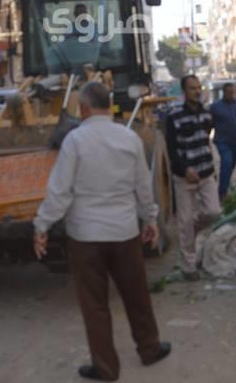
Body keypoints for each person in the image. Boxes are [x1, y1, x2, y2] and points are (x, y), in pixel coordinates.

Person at [33, 82, 170, 381]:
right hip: (124, 233)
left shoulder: (74, 141)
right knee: (137, 295)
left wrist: (41, 226)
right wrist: (150, 221)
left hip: (85, 238)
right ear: (108, 105)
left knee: (95, 305)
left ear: (82, 108)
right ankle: (149, 348)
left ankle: (106, 368)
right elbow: (142, 187)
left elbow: (60, 192)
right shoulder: (129, 138)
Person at [164, 74, 220, 281]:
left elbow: (206, 139)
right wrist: (185, 168)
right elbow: (171, 149)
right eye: (192, 88)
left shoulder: (207, 114)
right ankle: (189, 267)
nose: (197, 91)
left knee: (213, 212)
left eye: (199, 87)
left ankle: (191, 230)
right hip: (184, 178)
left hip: (206, 174)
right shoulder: (174, 116)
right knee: (184, 222)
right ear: (184, 91)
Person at [208, 82, 236, 198]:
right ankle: (222, 193)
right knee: (226, 163)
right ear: (224, 92)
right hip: (222, 141)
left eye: (233, 92)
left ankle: (226, 183)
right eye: (229, 93)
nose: (231, 94)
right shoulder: (215, 107)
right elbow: (208, 124)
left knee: (231, 164)